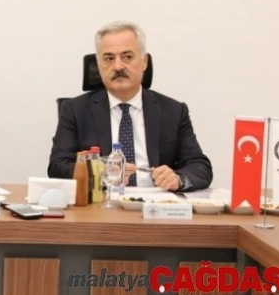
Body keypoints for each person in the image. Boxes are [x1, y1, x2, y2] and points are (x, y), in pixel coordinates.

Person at [47, 21, 212, 191]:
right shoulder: (75, 110)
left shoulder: (174, 111)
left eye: (127, 57)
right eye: (109, 58)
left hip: (156, 203)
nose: (118, 66)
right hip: (102, 201)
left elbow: (199, 166)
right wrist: (98, 171)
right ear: (98, 65)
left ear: (144, 61)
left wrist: (178, 179)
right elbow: (57, 166)